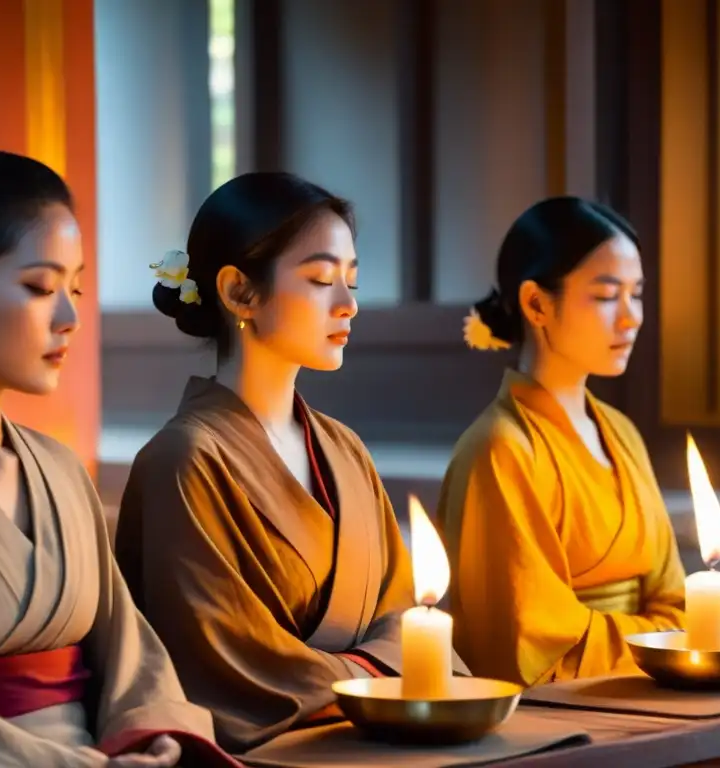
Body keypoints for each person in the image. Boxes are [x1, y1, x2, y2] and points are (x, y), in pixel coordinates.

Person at [0, 150, 239, 767]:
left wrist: (153, 735)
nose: (70, 318)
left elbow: (133, 658)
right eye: (40, 288)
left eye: (75, 287)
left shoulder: (60, 469)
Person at [115, 171, 468, 754]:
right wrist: (379, 676)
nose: (349, 304)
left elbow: (407, 620)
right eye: (322, 279)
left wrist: (378, 674)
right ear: (238, 293)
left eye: (351, 280)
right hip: (273, 752)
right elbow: (228, 666)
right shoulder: (182, 461)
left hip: (380, 734)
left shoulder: (343, 449)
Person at [438, 197, 695, 687]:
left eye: (636, 294)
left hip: (652, 684)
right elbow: (532, 648)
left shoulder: (620, 430)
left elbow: (679, 599)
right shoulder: (500, 449)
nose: (631, 317)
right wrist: (667, 635)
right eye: (605, 296)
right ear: (536, 302)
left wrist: (676, 630)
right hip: (565, 709)